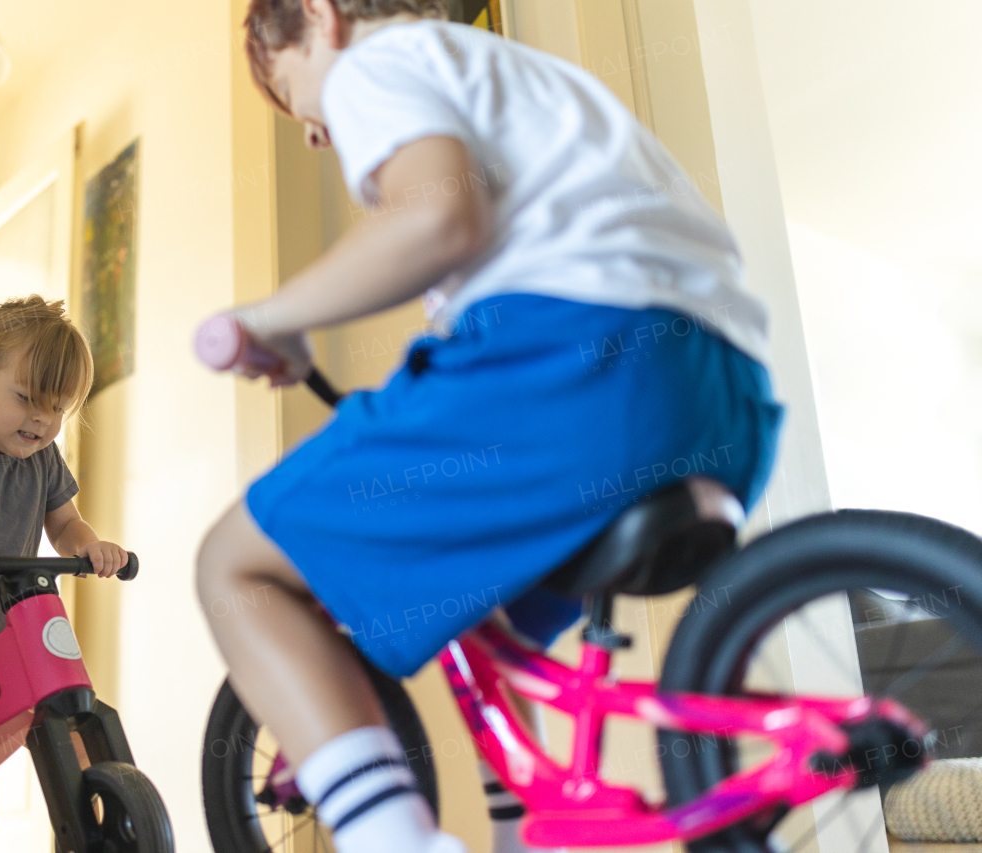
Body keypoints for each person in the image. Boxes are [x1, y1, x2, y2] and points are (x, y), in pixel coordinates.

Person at [195, 1, 784, 852]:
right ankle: (522, 832)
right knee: (489, 632)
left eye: (296, 99)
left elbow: (437, 219)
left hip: (587, 368)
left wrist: (275, 316)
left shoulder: (377, 62)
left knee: (234, 564)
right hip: (720, 396)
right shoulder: (521, 80)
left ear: (321, 19)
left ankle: (395, 839)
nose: (315, 136)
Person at [0, 295, 129, 662]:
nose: (42, 420)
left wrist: (89, 547)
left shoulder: (43, 458)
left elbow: (65, 525)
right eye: (27, 398)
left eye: (57, 408)